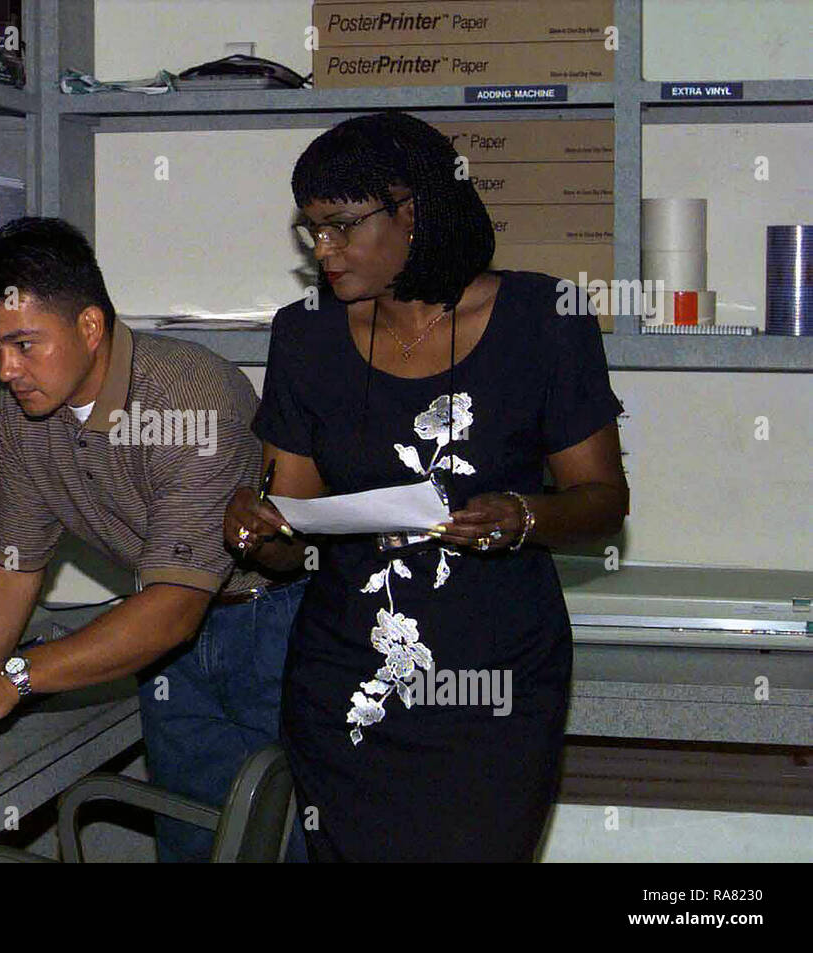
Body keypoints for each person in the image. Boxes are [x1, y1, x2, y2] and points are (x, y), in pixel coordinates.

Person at [224, 112, 628, 862]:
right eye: (311, 230)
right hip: (348, 680)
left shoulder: (544, 319)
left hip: (493, 688)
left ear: (411, 212)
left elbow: (603, 499)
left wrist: (522, 516)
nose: (324, 250)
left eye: (341, 226)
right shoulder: (305, 334)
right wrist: (261, 531)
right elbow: (293, 540)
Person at [0, 217, 307, 862]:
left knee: (294, 834)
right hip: (169, 641)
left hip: (274, 625)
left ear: (89, 327)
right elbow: (12, 565)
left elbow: (175, 609)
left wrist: (10, 680)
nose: (7, 370)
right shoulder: (28, 410)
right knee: (196, 838)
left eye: (24, 344)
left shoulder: (190, 400)